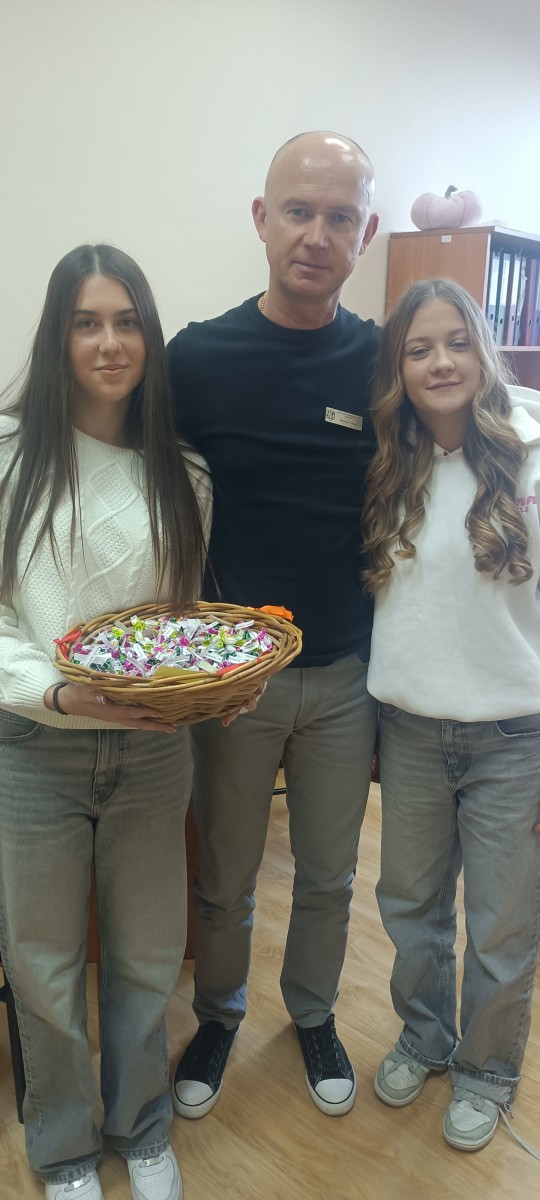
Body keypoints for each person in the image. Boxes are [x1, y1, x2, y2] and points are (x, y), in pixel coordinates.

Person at [167, 131, 379, 1119]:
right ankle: (217, 1015)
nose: (316, 235)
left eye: (340, 217)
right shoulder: (197, 358)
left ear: (365, 234)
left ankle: (313, 1013)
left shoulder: (384, 360)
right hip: (233, 680)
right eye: (298, 211)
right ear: (262, 219)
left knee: (331, 874)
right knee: (225, 875)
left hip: (347, 675)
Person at [0, 244, 212, 1200]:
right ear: (58, 337)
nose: (109, 342)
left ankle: (142, 1126)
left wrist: (211, 684)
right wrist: (55, 693)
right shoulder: (9, 456)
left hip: (151, 753)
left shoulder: (184, 474)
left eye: (127, 322)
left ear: (150, 337)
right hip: (32, 748)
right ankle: (64, 1151)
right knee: (44, 963)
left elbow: (178, 626)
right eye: (86, 322)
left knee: (147, 956)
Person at [363, 277, 540, 1152]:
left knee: (502, 923)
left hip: (515, 738)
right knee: (411, 905)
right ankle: (426, 1036)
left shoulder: (530, 453)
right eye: (419, 348)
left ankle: (487, 1069)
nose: (440, 362)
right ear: (398, 368)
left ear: (483, 350)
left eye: (457, 342)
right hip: (411, 731)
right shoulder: (389, 464)